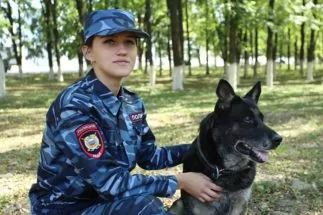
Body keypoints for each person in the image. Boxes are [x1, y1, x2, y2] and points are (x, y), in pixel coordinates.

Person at [29, 9, 222, 215]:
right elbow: (109, 183)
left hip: (106, 202)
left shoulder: (132, 102)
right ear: (88, 52)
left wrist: (204, 144)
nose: (122, 50)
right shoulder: (74, 105)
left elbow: (149, 157)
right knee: (145, 207)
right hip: (63, 209)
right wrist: (180, 181)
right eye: (110, 42)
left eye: (129, 42)